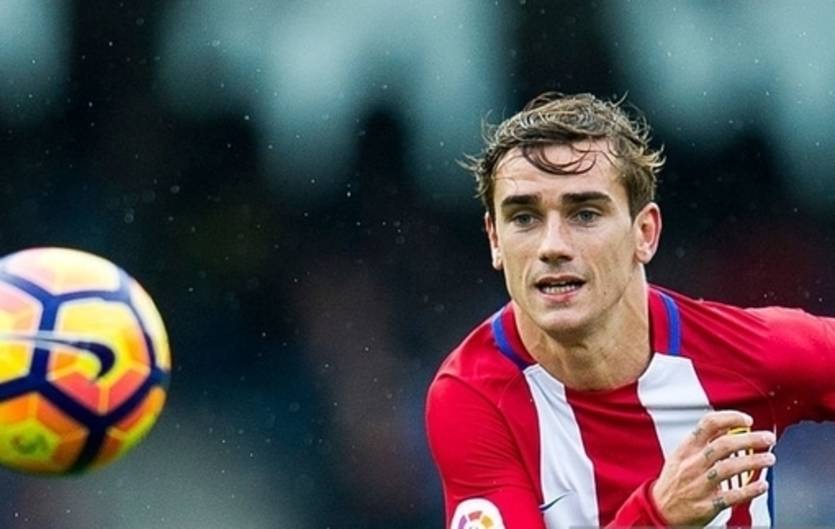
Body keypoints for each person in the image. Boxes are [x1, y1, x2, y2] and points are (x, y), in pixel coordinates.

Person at [425, 92, 835, 528]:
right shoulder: (471, 397)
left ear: (645, 233)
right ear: (494, 239)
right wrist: (658, 515)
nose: (552, 246)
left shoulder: (752, 354)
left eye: (585, 214)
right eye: (524, 217)